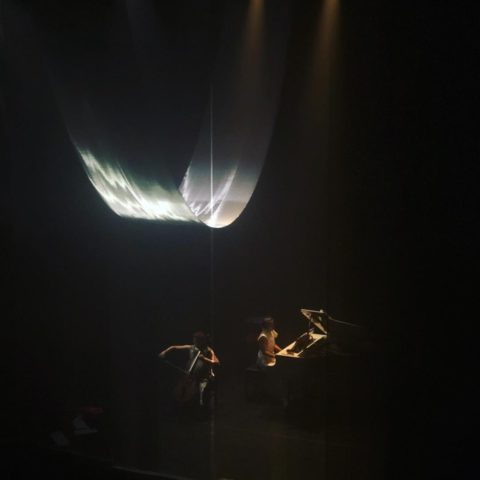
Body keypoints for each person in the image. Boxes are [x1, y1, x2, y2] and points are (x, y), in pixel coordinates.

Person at [159, 331, 220, 408]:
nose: (195, 343)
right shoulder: (191, 347)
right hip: (188, 375)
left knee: (200, 395)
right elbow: (174, 347)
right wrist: (165, 352)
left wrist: (204, 358)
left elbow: (217, 362)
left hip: (200, 378)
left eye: (197, 341)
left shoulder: (208, 350)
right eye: (194, 341)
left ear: (202, 341)